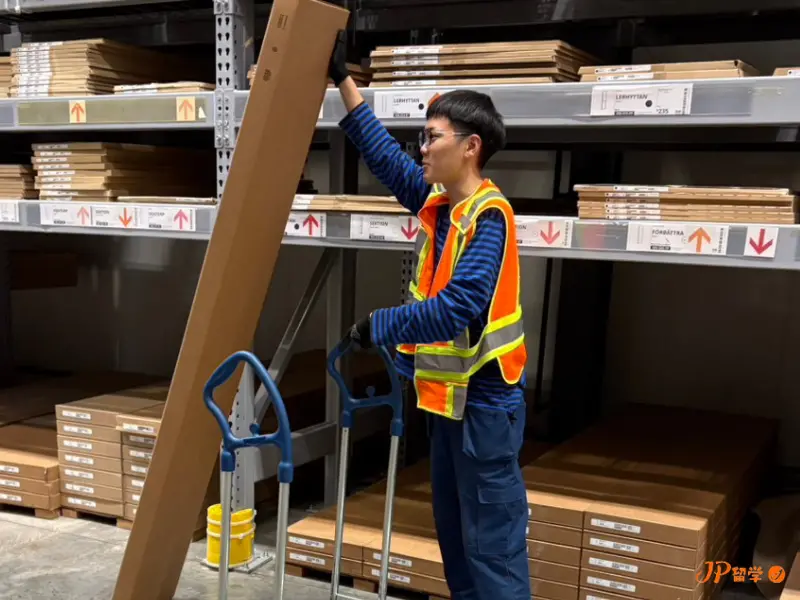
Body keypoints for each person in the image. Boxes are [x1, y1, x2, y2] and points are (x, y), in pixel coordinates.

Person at [329, 33, 530, 600]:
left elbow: (458, 307)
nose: (421, 148)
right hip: (447, 405)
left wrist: (380, 325)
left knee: (492, 550)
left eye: (432, 137)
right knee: (456, 544)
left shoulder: (488, 218)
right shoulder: (440, 206)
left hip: (485, 408)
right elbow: (385, 158)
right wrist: (343, 79)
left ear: (470, 147)